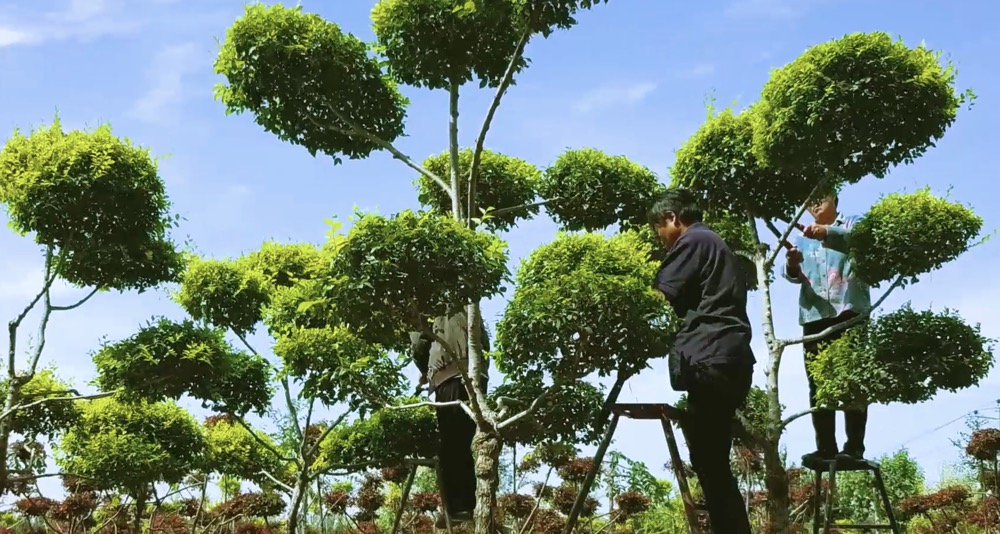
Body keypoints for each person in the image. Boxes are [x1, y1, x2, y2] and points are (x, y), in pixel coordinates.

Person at [648, 187, 755, 534]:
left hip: (712, 358)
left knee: (710, 462)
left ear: (672, 218)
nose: (662, 240)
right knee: (713, 462)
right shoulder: (715, 243)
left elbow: (658, 295)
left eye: (659, 231)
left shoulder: (693, 242)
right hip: (730, 358)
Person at [784, 190, 871, 464]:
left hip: (849, 310)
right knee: (817, 383)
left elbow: (865, 242)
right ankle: (825, 448)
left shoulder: (854, 223)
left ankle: (854, 447)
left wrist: (824, 232)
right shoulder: (801, 238)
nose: (814, 204)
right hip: (814, 316)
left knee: (852, 378)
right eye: (808, 201)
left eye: (820, 197)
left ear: (834, 197)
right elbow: (792, 276)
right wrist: (792, 265)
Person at [409, 310, 490, 529]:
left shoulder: (431, 305)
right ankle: (468, 505)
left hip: (449, 378)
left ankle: (458, 507)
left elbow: (418, 345)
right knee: (467, 441)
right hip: (477, 378)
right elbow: (484, 343)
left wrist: (425, 371)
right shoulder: (471, 305)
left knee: (451, 443)